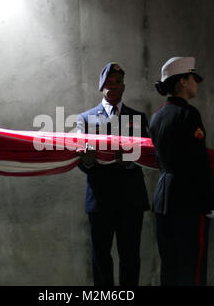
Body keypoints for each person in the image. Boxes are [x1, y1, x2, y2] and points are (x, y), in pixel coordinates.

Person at [76, 62, 150, 286]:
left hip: (130, 201)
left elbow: (146, 155)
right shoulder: (86, 119)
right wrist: (87, 161)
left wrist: (129, 162)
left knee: (130, 258)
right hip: (100, 200)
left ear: (124, 86)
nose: (113, 87)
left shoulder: (137, 118)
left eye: (118, 83)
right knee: (100, 259)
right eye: (109, 83)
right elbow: (79, 159)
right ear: (101, 87)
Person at [149, 57, 214, 286]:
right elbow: (198, 162)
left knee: (169, 267)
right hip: (189, 200)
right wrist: (211, 201)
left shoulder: (157, 116)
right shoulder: (189, 115)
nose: (196, 84)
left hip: (163, 199)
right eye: (192, 78)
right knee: (193, 267)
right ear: (181, 82)